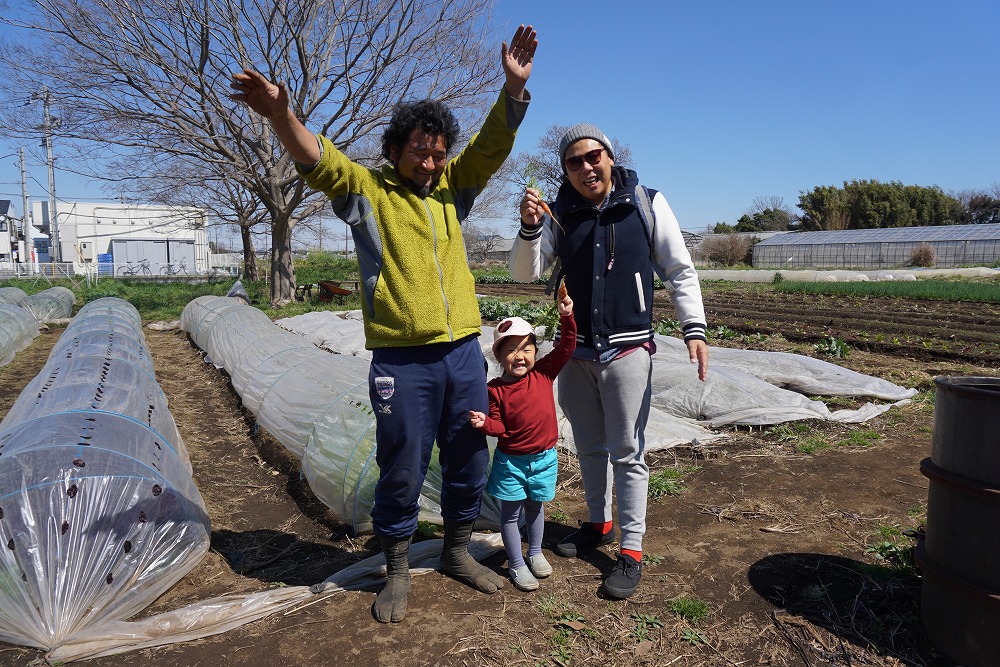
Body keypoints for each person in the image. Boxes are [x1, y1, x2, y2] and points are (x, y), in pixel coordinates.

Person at [231, 24, 538, 623]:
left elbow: (491, 146)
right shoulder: (367, 191)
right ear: (394, 150)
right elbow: (318, 159)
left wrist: (512, 89)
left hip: (462, 354)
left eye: (438, 151)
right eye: (419, 150)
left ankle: (454, 550)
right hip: (404, 360)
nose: (430, 161)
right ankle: (396, 564)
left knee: (471, 454)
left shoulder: (454, 189)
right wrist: (278, 117)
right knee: (402, 462)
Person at [509, 123, 709, 599]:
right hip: (573, 353)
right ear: (565, 170)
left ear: (609, 157)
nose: (586, 167)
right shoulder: (560, 213)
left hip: (628, 350)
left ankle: (632, 549)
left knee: (628, 451)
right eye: (574, 162)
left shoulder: (645, 201)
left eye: (592, 156)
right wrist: (531, 226)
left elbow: (679, 269)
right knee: (588, 444)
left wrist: (694, 329)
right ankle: (598, 524)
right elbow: (523, 271)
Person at [468, 288, 576, 591]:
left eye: (526, 349)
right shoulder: (495, 390)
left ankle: (535, 552)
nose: (520, 356)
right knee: (511, 513)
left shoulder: (543, 373)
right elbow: (500, 426)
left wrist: (567, 317)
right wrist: (484, 423)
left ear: (536, 353)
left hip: (544, 458)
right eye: (511, 350)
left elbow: (567, 347)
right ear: (499, 356)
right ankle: (516, 564)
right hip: (511, 462)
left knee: (536, 507)